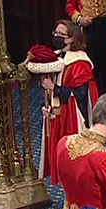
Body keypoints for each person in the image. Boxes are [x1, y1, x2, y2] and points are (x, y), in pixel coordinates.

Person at [35, 20, 99, 187]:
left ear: (71, 39)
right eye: (55, 33)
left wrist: (54, 89)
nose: (56, 37)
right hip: (57, 117)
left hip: (73, 119)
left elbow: (80, 95)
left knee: (73, 163)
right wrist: (47, 105)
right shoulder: (56, 58)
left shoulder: (79, 63)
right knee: (61, 163)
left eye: (60, 35)